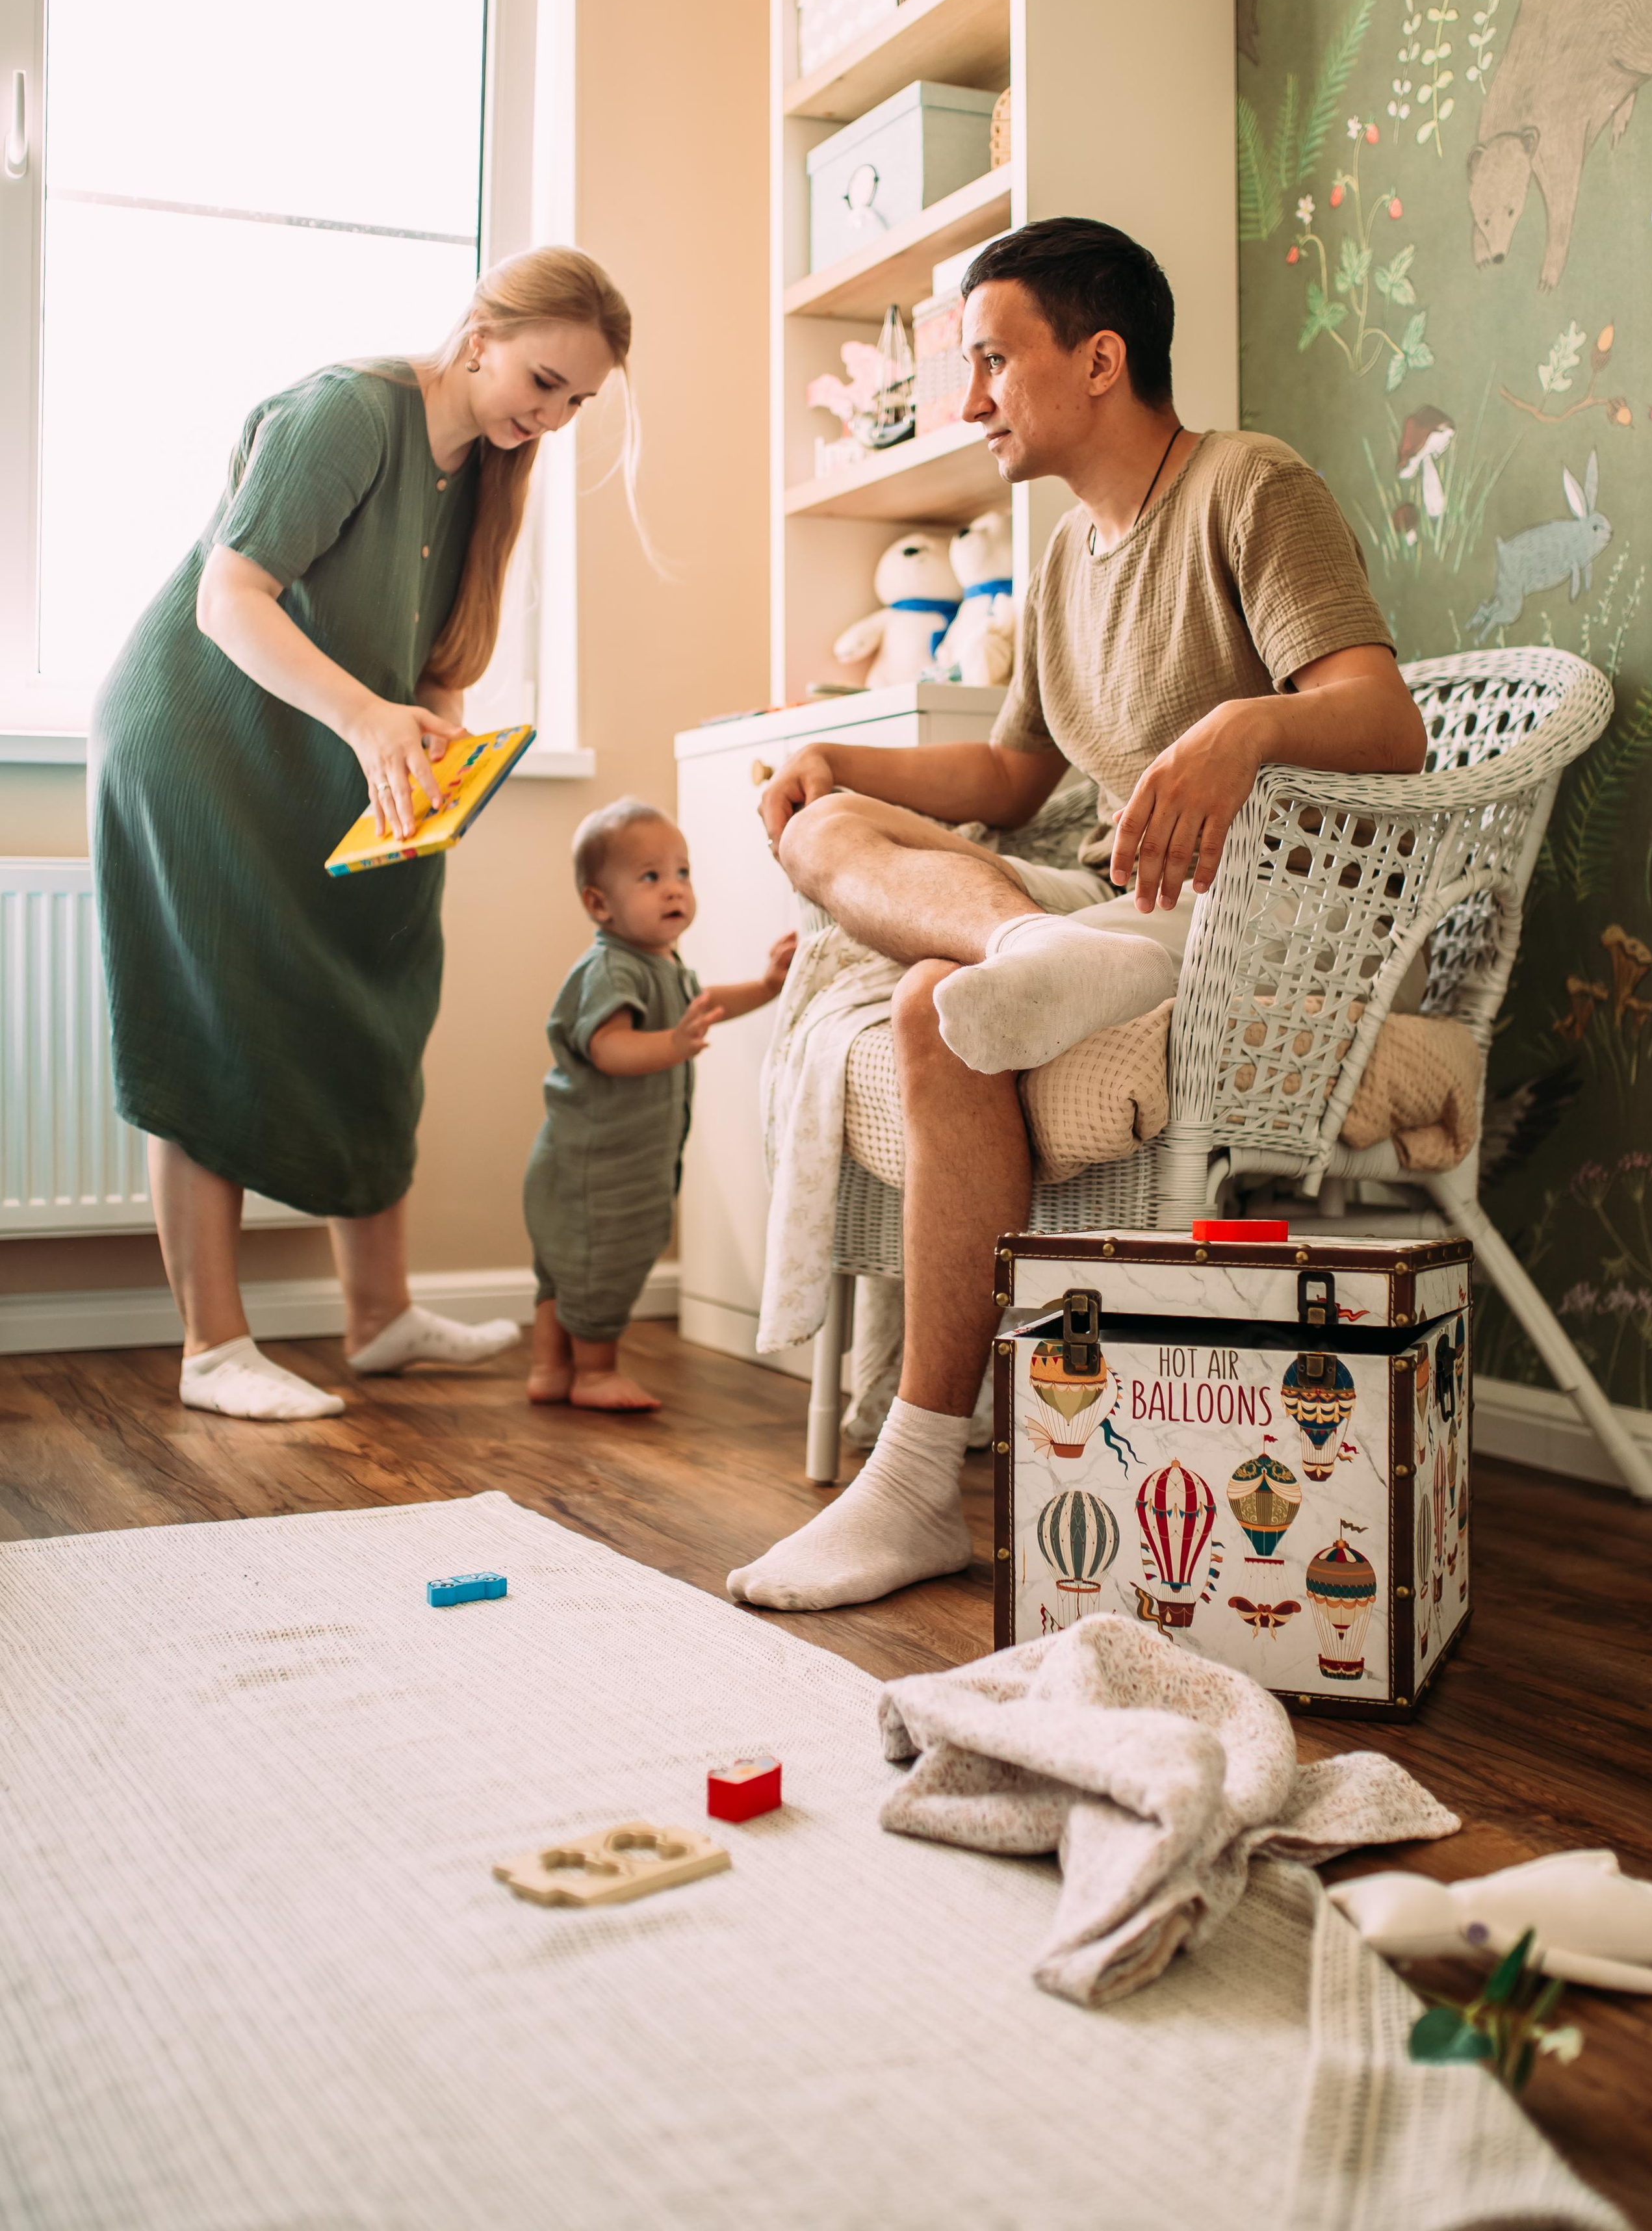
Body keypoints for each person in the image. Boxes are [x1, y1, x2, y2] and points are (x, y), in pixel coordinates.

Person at [727, 216, 1427, 1613]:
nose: (969, 398)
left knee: (932, 1009)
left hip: (1257, 916)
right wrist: (839, 761)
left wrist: (1241, 727)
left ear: (1097, 358)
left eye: (991, 360)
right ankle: (1023, 952)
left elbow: (1386, 723)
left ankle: (917, 1478)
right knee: (829, 842)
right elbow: (1007, 777)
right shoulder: (1057, 559)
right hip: (1107, 914)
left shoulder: (1247, 486)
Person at [91, 247, 634, 1423]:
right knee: (212, 1016)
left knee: (387, 981)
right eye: (544, 383)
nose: (552, 416)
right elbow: (227, 595)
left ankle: (380, 1317)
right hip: (200, 743)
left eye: (576, 402)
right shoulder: (349, 414)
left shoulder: (484, 469)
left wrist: (439, 745)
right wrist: (368, 718)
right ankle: (212, 1347)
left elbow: (424, 668)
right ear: (481, 334)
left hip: (333, 757)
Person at [524, 799, 795, 1411]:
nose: (674, 889)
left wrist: (767, 986)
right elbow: (609, 1046)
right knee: (602, 1262)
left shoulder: (659, 962)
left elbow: (705, 1004)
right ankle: (592, 1374)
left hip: (590, 1157)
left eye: (683, 872)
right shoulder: (611, 969)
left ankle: (549, 1368)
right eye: (651, 877)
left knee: (566, 1267)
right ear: (600, 904)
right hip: (600, 1163)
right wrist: (673, 1043)